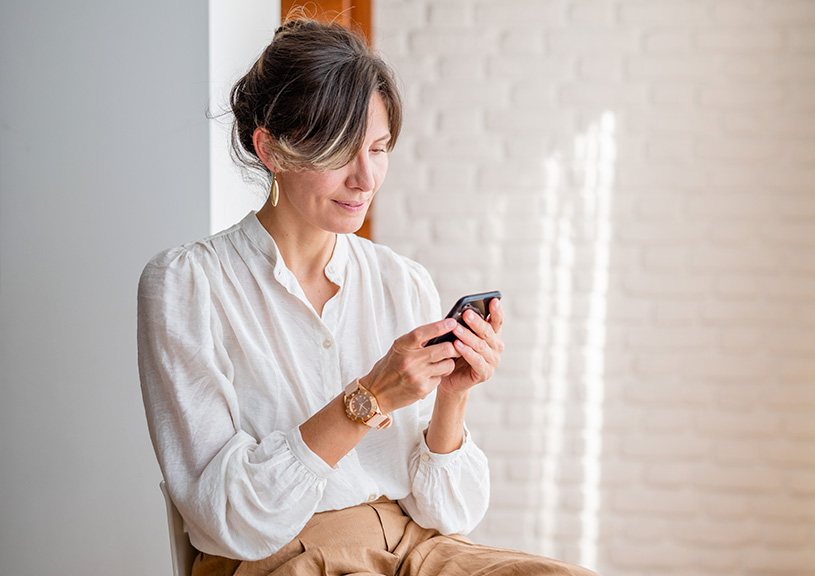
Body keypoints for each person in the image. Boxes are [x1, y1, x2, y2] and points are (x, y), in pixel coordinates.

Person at [137, 17, 595, 576]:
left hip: (418, 547)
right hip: (287, 557)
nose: (366, 178)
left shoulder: (401, 280)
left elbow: (452, 513)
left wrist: (451, 398)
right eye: (340, 152)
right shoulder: (190, 285)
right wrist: (371, 398)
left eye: (379, 149)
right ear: (271, 150)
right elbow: (230, 520)